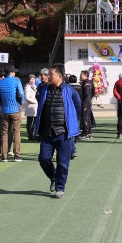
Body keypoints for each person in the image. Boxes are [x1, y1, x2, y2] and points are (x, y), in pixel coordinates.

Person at [34, 66, 83, 197]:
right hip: (47, 132)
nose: (48, 77)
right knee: (43, 159)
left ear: (59, 76)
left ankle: (60, 187)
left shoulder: (70, 91)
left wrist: (71, 121)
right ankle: (54, 178)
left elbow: (78, 107)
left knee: (63, 163)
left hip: (64, 133)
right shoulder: (44, 89)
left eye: (51, 75)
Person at [0, 65, 25, 162]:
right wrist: (21, 104)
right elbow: (21, 94)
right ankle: (17, 155)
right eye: (14, 71)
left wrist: (2, 104)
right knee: (16, 133)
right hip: (15, 109)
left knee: (4, 133)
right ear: (11, 72)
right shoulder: (16, 81)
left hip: (4, 110)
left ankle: (4, 156)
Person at [79, 70, 94, 140]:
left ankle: (86, 133)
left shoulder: (86, 83)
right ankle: (88, 132)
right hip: (88, 101)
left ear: (85, 75)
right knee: (87, 117)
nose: (80, 76)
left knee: (85, 117)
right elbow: (93, 92)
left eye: (81, 75)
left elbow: (87, 93)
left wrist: (84, 98)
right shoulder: (89, 82)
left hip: (86, 102)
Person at [23, 75, 38, 141]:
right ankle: (30, 135)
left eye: (33, 79)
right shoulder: (27, 87)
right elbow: (27, 97)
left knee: (34, 122)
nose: (32, 80)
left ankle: (33, 134)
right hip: (30, 106)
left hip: (35, 107)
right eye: (31, 79)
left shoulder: (35, 86)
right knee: (29, 122)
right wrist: (35, 101)